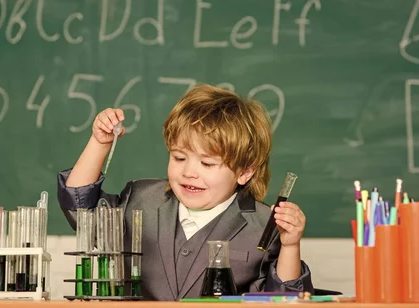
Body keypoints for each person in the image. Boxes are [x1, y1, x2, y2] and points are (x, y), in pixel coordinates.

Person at [57, 84, 313, 301]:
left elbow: (284, 299)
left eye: (208, 164)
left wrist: (290, 245)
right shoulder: (141, 199)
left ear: (244, 172)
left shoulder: (264, 225)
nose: (190, 172)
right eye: (179, 158)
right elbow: (80, 209)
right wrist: (100, 143)